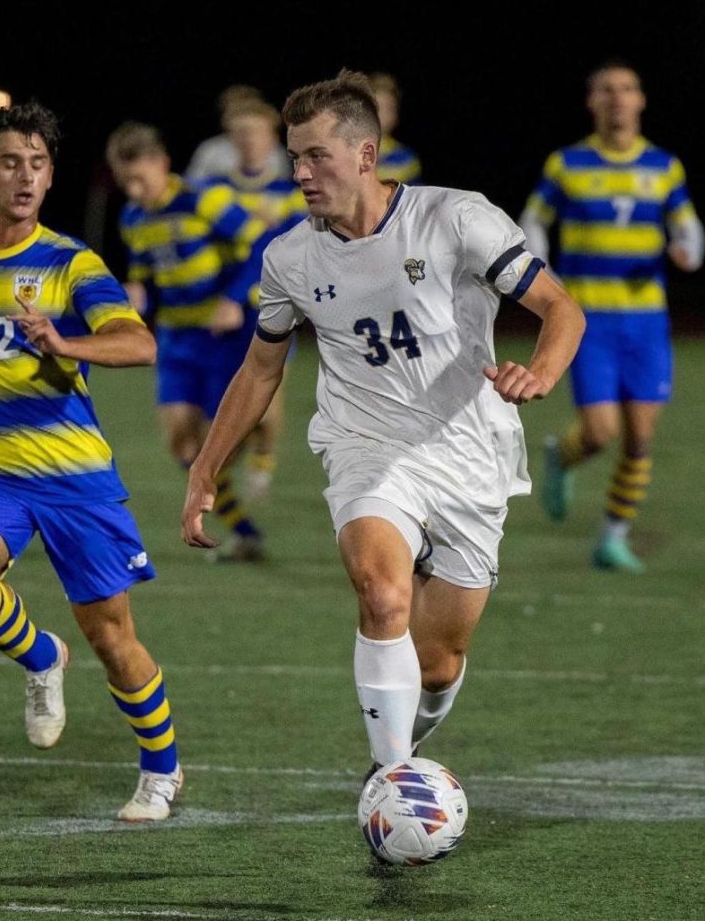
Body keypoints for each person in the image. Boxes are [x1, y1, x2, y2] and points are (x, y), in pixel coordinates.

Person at [182, 69, 585, 781]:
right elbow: (259, 371)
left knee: (437, 663)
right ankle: (390, 777)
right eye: (293, 157)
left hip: (469, 453)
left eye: (315, 156)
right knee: (381, 590)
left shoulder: (456, 219)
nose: (299, 173)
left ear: (365, 156)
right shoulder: (289, 258)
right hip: (365, 446)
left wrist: (541, 373)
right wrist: (205, 469)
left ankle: (407, 745)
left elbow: (561, 308)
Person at [0, 101, 183, 823]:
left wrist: (65, 344)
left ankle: (160, 771)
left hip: (75, 477)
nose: (24, 177)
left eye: (37, 164)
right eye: (8, 162)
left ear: (50, 177)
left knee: (114, 640)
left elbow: (137, 341)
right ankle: (41, 659)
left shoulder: (70, 263)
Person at [519, 60, 703, 572]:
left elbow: (688, 227)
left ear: (641, 100)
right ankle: (563, 456)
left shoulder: (665, 167)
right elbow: (535, 218)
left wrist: (688, 249)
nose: (618, 98)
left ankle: (612, 536)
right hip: (589, 321)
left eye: (627, 89)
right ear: (592, 102)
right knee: (600, 433)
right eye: (607, 90)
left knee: (640, 437)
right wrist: (541, 268)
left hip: (646, 323)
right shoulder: (568, 165)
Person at [106, 120, 270, 561]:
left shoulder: (205, 200)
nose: (135, 190)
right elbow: (143, 269)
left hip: (223, 338)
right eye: (126, 183)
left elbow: (263, 245)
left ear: (162, 163)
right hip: (176, 339)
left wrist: (235, 298)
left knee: (220, 445)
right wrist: (137, 291)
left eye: (140, 178)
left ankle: (260, 443)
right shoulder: (133, 217)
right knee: (182, 443)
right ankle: (244, 531)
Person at [214, 99, 308, 498]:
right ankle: (220, 469)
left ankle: (264, 454)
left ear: (272, 140)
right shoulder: (216, 193)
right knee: (224, 398)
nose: (248, 142)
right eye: (240, 135)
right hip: (222, 312)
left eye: (255, 134)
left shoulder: (291, 194)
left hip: (270, 307)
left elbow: (290, 248)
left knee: (267, 395)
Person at [185, 83, 291, 181]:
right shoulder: (210, 150)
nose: (250, 139)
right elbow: (193, 185)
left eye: (256, 131)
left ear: (273, 138)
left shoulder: (278, 154)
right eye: (243, 131)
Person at [368, 72, 422, 185]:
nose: (384, 114)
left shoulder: (406, 159)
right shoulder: (350, 151)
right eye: (379, 107)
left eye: (390, 107)